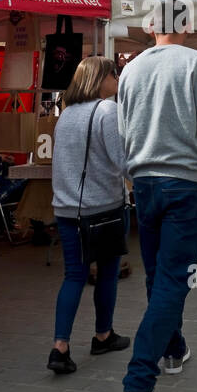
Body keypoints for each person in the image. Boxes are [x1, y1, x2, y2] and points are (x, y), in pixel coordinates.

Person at [116, 0, 197, 392]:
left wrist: (132, 174)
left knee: (158, 276)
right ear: (187, 25)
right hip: (187, 185)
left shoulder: (131, 68)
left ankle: (173, 350)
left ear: (151, 26)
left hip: (145, 183)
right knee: (171, 280)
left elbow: (123, 131)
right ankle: (138, 380)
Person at [47, 57, 131, 374]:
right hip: (104, 209)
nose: (118, 78)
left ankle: (60, 346)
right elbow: (122, 161)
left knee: (74, 276)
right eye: (115, 73)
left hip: (67, 209)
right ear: (103, 78)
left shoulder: (65, 115)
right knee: (107, 274)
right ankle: (103, 335)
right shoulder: (107, 111)